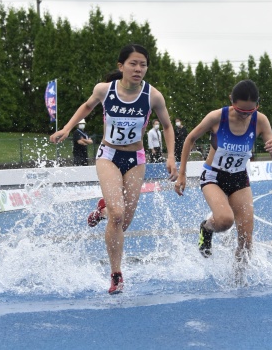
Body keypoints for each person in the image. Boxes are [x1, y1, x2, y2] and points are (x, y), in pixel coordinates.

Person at [50, 44, 178, 294]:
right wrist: (66, 128)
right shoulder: (104, 90)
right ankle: (116, 274)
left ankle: (103, 210)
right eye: (133, 63)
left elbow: (167, 126)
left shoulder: (153, 96)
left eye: (143, 64)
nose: (138, 69)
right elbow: (87, 107)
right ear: (121, 67)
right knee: (118, 216)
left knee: (123, 222)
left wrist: (170, 156)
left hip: (136, 159)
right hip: (108, 155)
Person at [174, 80, 272, 271]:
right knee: (225, 221)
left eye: (249, 112)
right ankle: (207, 228)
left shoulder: (261, 121)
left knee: (246, 239)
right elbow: (190, 139)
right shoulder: (217, 117)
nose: (244, 116)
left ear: (257, 106)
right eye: (240, 111)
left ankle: (237, 281)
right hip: (213, 177)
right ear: (231, 101)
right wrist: (181, 173)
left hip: (239, 179)